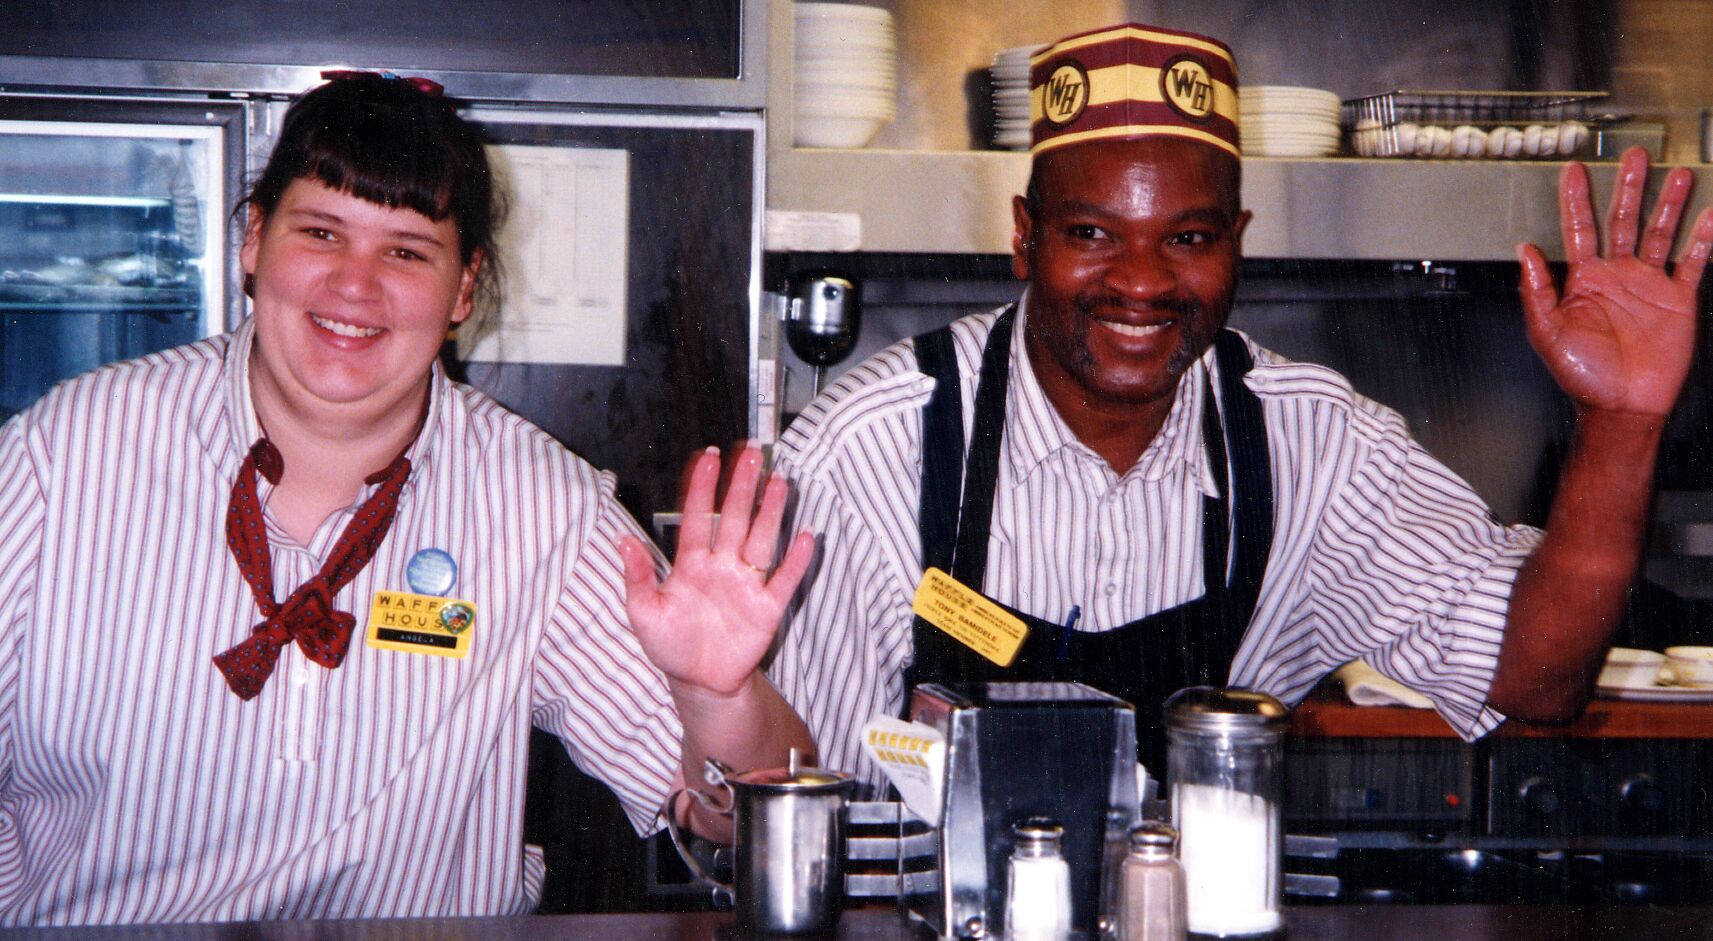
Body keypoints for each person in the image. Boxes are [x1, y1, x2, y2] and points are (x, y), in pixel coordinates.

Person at [768, 22, 1713, 791]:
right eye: (1090, 232)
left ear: (1238, 244)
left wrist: (1620, 424)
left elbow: (1536, 677)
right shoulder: (874, 448)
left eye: (1186, 236)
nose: (1140, 281)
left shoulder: (1312, 444)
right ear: (1023, 238)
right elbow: (783, 788)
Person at [0, 72, 814, 924]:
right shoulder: (68, 453)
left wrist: (720, 698)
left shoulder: (543, 506)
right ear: (252, 240)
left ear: (465, 287)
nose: (354, 285)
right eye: (320, 232)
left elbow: (733, 831)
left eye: (406, 251)